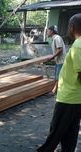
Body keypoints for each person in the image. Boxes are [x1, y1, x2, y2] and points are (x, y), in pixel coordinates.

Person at [37, 13, 81, 152]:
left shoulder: (78, 47)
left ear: (72, 27)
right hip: (76, 98)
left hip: (69, 98)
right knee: (70, 132)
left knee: (56, 132)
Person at [47, 25, 66, 95]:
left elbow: (60, 49)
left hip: (61, 61)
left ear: (52, 31)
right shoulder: (54, 38)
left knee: (58, 76)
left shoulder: (57, 38)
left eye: (48, 31)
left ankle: (54, 91)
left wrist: (52, 57)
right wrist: (53, 56)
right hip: (59, 60)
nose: (47, 32)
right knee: (57, 76)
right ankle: (56, 89)